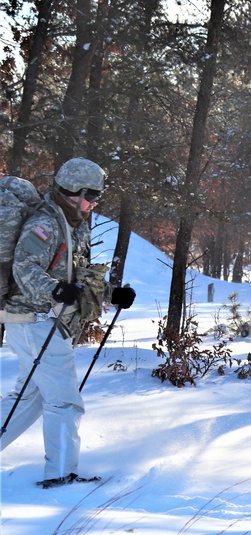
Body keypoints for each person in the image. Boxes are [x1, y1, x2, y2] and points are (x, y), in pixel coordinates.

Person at [0, 157, 136, 488]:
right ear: (72, 192)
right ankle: (61, 474)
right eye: (90, 196)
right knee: (64, 400)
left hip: (39, 322)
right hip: (36, 320)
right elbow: (25, 267)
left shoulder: (75, 225)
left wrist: (112, 294)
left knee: (30, 398)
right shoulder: (44, 225)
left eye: (97, 198)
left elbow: (80, 278)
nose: (93, 204)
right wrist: (55, 289)